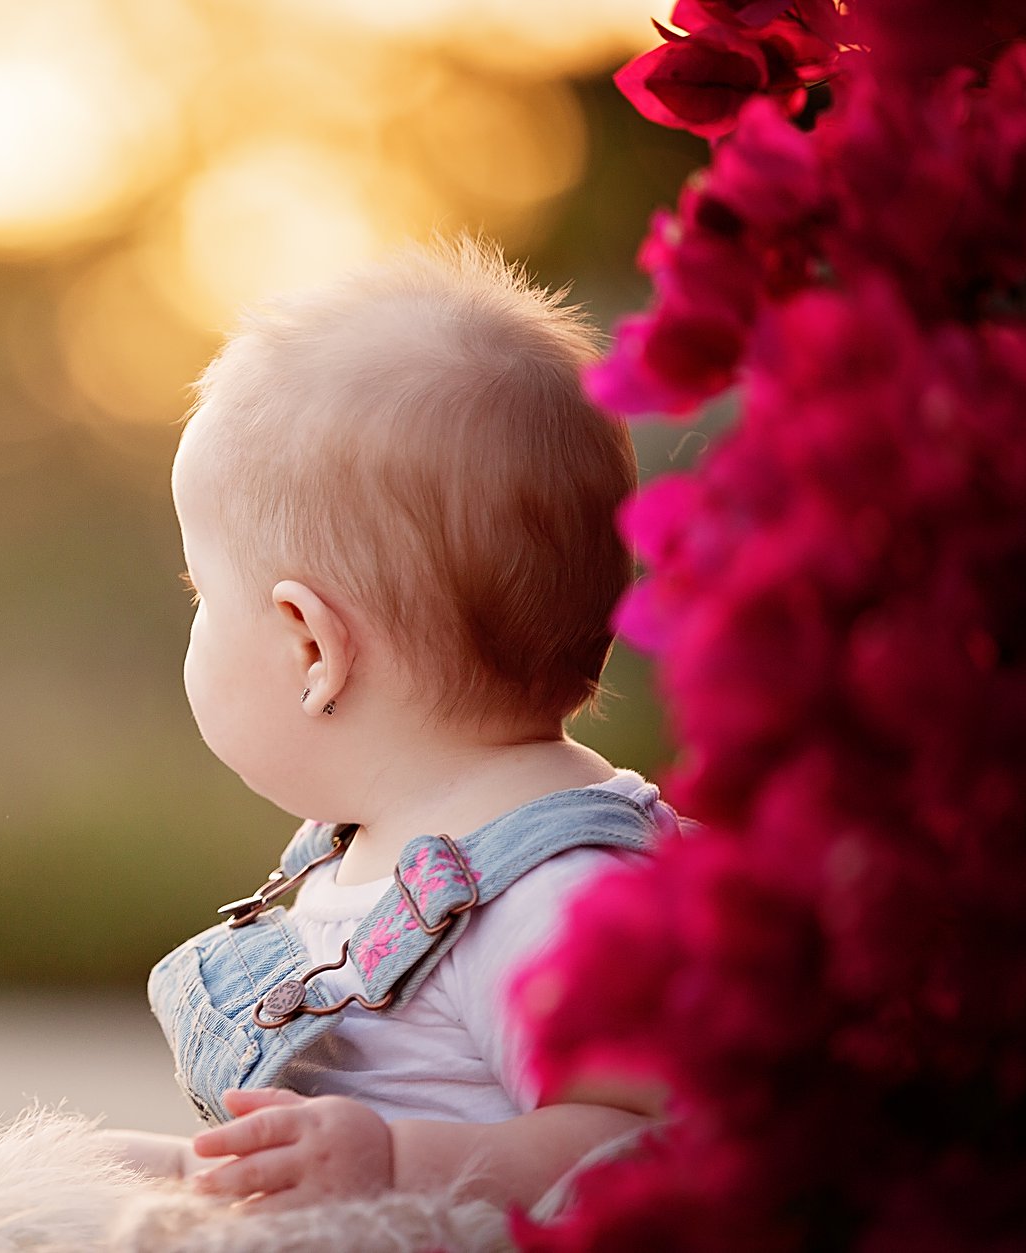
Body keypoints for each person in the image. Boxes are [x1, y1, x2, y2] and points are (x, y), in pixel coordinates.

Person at [109, 238, 676, 1214]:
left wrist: (393, 1164)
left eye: (200, 589)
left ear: (310, 647)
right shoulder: (376, 848)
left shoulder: (553, 894)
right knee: (95, 1167)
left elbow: (644, 1141)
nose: (191, 615)